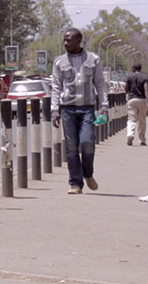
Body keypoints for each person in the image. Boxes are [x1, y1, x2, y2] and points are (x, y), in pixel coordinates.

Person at [51, 28, 108, 195]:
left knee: (87, 144)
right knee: (71, 148)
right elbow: (55, 87)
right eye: (65, 40)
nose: (66, 43)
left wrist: (104, 107)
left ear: (79, 41)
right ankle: (75, 183)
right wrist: (55, 110)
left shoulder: (93, 59)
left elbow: (100, 84)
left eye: (69, 40)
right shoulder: (59, 62)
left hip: (87, 108)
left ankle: (88, 174)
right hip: (67, 109)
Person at [125, 63, 148, 146]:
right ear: (140, 68)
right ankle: (142, 139)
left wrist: (128, 91)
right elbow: (146, 89)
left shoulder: (129, 77)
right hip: (142, 100)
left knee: (131, 118)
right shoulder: (144, 77)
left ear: (133, 68)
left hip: (132, 100)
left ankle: (130, 134)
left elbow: (126, 88)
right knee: (142, 120)